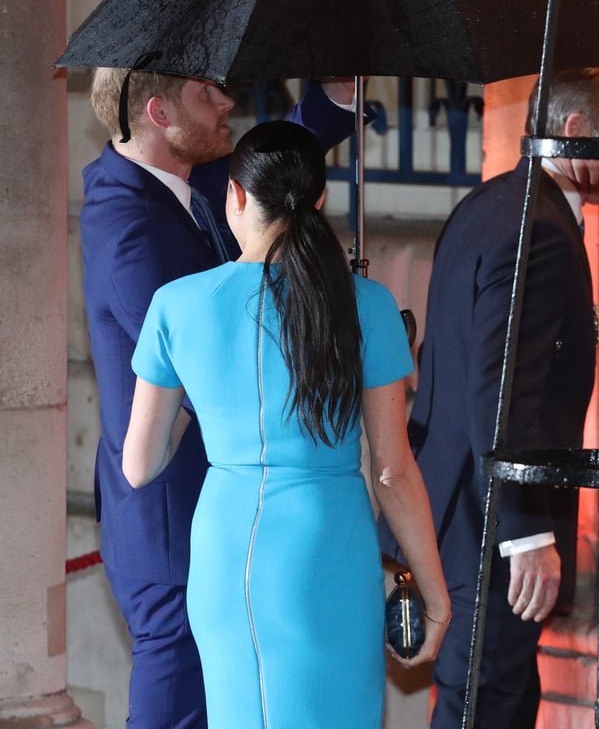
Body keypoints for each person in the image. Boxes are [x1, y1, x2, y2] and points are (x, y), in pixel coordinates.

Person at [121, 120, 451, 729]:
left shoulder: (175, 303)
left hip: (224, 549)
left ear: (238, 196)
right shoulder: (369, 305)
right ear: (320, 201)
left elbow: (139, 467)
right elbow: (391, 470)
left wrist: (215, 401)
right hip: (329, 546)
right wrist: (432, 590)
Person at [81, 69, 368, 729]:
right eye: (205, 95)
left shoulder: (182, 183)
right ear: (157, 111)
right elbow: (208, 369)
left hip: (209, 512)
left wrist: (334, 97)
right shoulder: (130, 227)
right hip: (169, 514)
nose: (227, 103)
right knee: (177, 707)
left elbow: (271, 174)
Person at [379, 67, 599, 729]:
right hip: (490, 525)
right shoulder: (539, 230)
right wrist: (525, 532)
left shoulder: (493, 203)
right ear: (576, 131)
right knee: (485, 704)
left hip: (454, 514)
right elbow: (500, 386)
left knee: (493, 697)